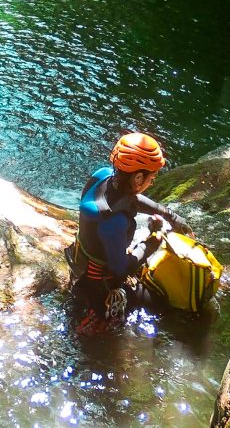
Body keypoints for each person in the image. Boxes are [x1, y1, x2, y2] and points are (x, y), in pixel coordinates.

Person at [65, 132, 194, 333]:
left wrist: (169, 215)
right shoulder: (114, 222)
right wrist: (153, 242)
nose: (152, 182)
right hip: (99, 287)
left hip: (79, 265)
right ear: (138, 177)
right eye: (152, 177)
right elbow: (121, 269)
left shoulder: (104, 176)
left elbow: (130, 199)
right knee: (163, 305)